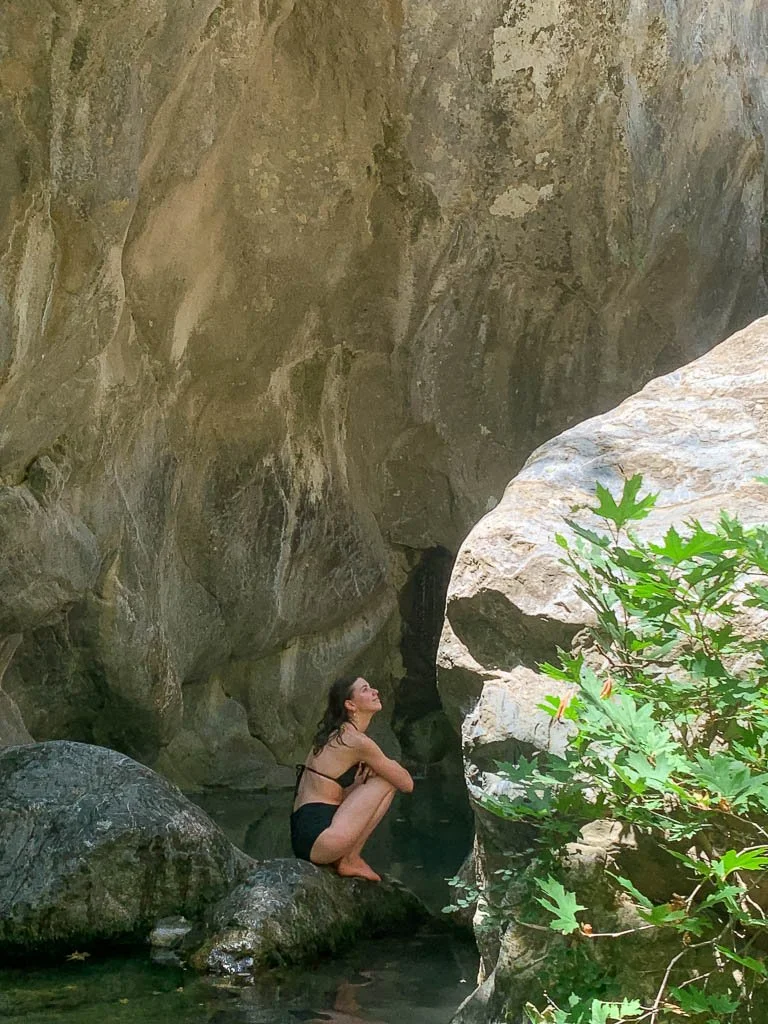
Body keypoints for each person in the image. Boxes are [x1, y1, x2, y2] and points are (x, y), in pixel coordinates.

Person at [290, 675, 413, 881]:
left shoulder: (335, 735)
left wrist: (364, 778)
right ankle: (349, 859)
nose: (375, 691)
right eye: (365, 690)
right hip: (321, 839)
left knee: (374, 777)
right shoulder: (355, 741)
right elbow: (407, 783)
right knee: (386, 781)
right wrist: (384, 767)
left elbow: (336, 796)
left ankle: (346, 858)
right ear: (350, 705)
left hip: (306, 839)